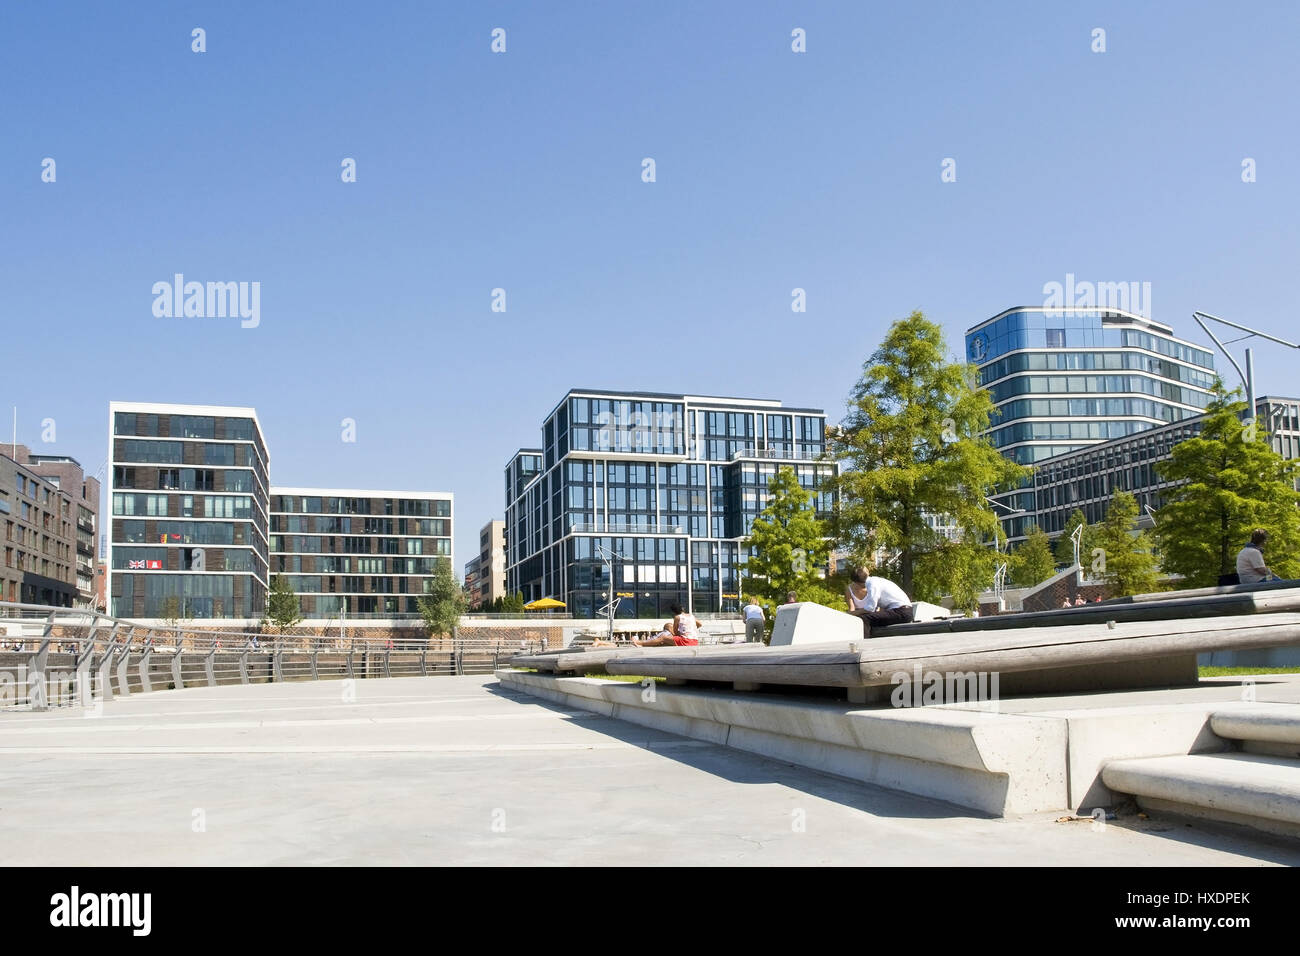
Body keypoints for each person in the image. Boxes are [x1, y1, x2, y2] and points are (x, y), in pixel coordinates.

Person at [844, 567, 913, 637]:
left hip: (901, 612)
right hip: (903, 611)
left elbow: (870, 608)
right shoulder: (875, 580)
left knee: (864, 618)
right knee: (872, 617)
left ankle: (865, 643)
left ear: (857, 583)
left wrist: (852, 613)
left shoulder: (872, 585)